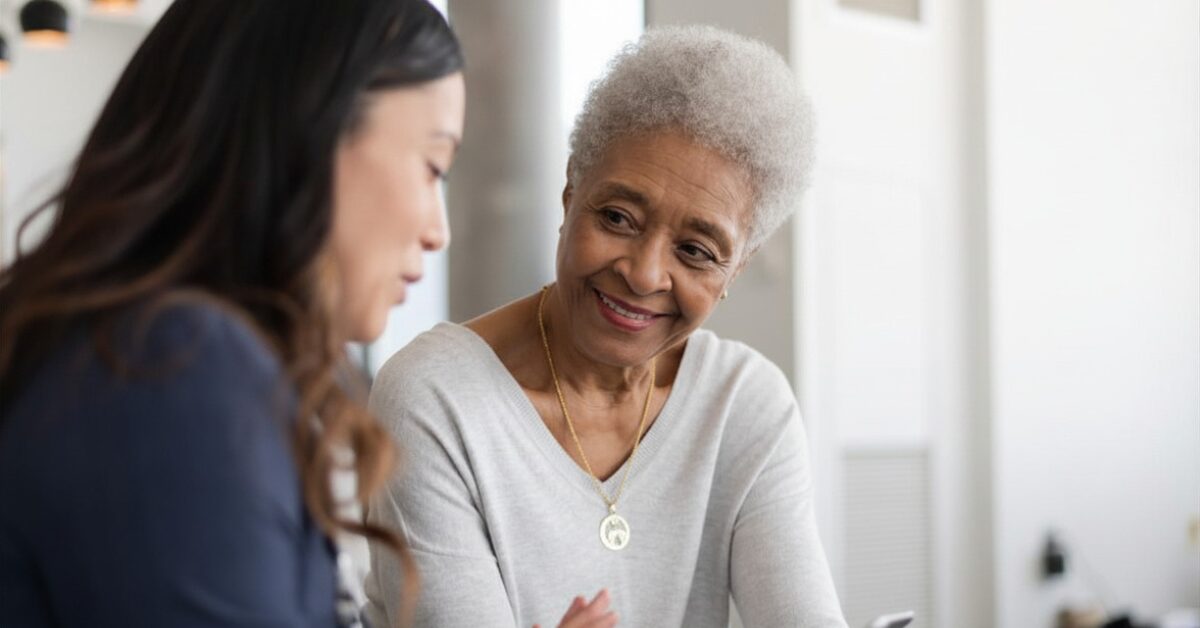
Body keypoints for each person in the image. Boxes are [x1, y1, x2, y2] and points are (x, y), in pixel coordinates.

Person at [364, 25, 849, 628]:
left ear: (735, 270)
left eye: (696, 251)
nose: (644, 274)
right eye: (618, 217)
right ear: (571, 194)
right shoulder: (436, 398)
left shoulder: (745, 406)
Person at [0, 1, 466, 625]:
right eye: (432, 165)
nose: (440, 231)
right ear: (312, 127)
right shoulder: (174, 367)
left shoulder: (145, 351)